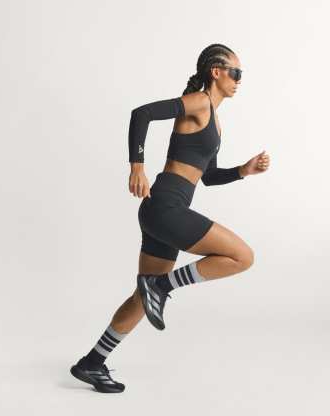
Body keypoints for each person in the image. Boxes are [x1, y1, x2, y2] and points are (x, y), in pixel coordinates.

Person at [70, 43, 270, 393]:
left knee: (141, 297)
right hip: (165, 207)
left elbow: (208, 177)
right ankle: (162, 287)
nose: (240, 80)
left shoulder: (214, 119)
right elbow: (142, 113)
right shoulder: (199, 102)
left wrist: (243, 170)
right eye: (236, 72)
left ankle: (92, 362)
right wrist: (137, 166)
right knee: (243, 256)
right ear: (217, 72)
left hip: (161, 212)